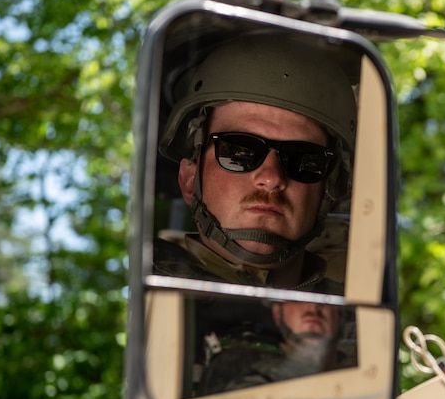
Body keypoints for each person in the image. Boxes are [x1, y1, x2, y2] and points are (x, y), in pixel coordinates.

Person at [153, 35, 358, 292]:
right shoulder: (146, 293)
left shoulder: (356, 312)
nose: (271, 178)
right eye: (240, 152)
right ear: (189, 180)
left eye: (303, 159)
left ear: (330, 188)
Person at [197, 301, 356, 395]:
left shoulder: (367, 367)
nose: (312, 306)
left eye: (326, 301)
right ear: (276, 313)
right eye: (296, 299)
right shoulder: (237, 366)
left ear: (341, 315)